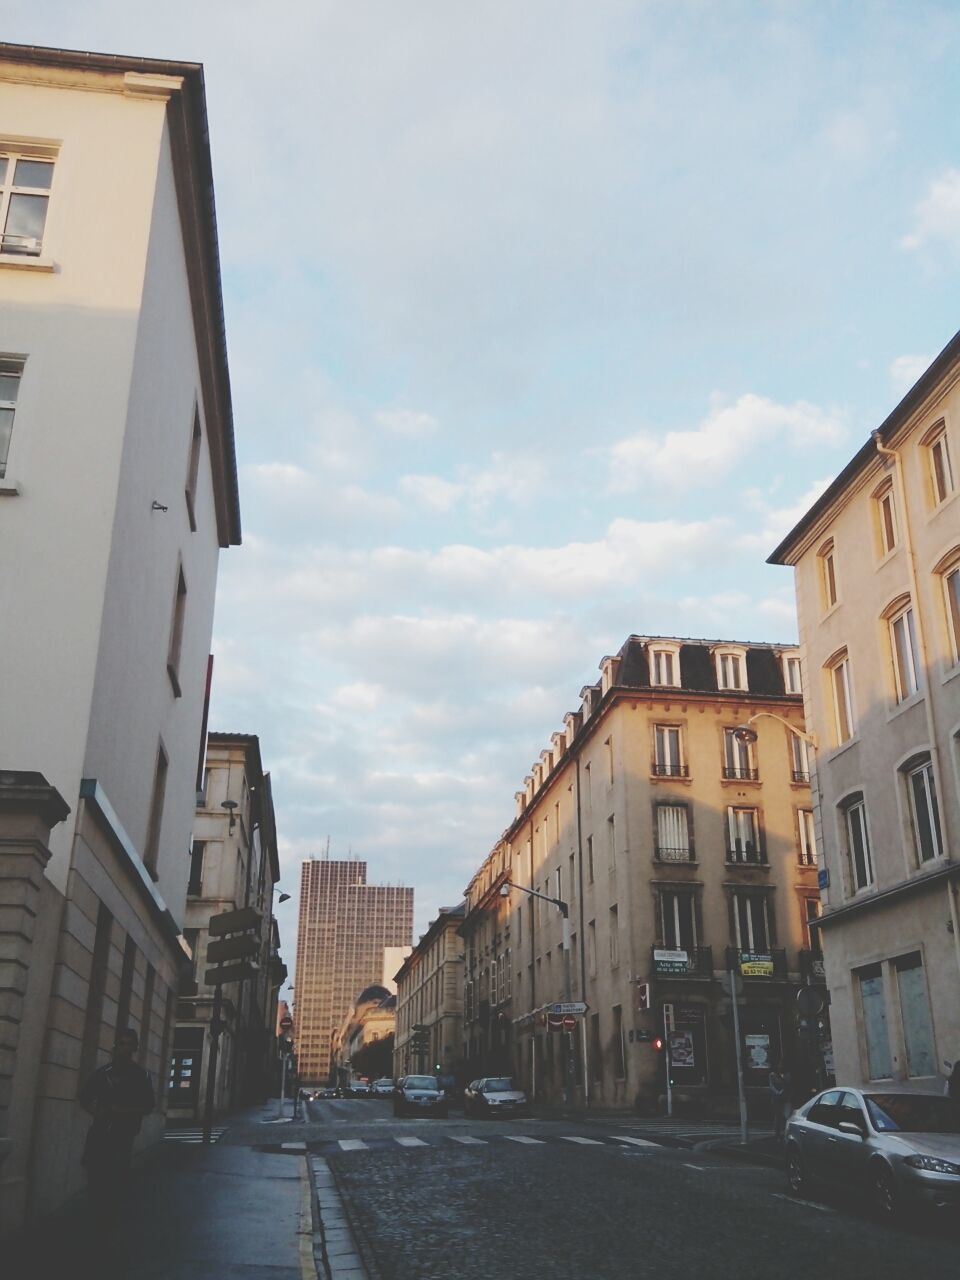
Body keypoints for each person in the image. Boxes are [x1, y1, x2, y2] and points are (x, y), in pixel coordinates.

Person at [78, 1026, 155, 1230]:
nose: (125, 1048)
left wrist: (123, 1111)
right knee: (95, 1175)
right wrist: (97, 1112)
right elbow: (84, 1097)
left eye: (129, 1044)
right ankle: (97, 1218)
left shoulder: (141, 1076)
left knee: (116, 1179)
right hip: (100, 1131)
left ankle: (109, 1222)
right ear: (115, 1046)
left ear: (135, 1048)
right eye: (122, 1043)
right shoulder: (103, 1073)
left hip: (123, 1134)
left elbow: (148, 1106)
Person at [768, 1061, 791, 1140]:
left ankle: (785, 1133)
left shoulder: (787, 1075)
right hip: (776, 1098)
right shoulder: (772, 1075)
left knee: (786, 1116)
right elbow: (771, 1086)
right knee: (777, 1116)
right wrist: (778, 1092)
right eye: (779, 1065)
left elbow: (788, 1085)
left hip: (785, 1097)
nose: (780, 1066)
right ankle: (777, 1134)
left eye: (782, 1065)